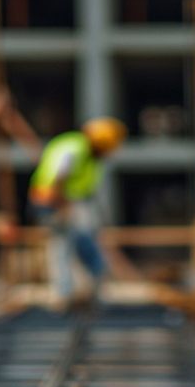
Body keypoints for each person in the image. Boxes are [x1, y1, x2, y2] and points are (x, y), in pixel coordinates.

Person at [28, 117, 127, 301]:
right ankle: (66, 293)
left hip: (68, 201)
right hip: (54, 201)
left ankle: (86, 288)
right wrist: (62, 206)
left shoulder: (88, 153)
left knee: (75, 242)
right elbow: (60, 175)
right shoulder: (76, 148)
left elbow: (83, 185)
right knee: (64, 246)